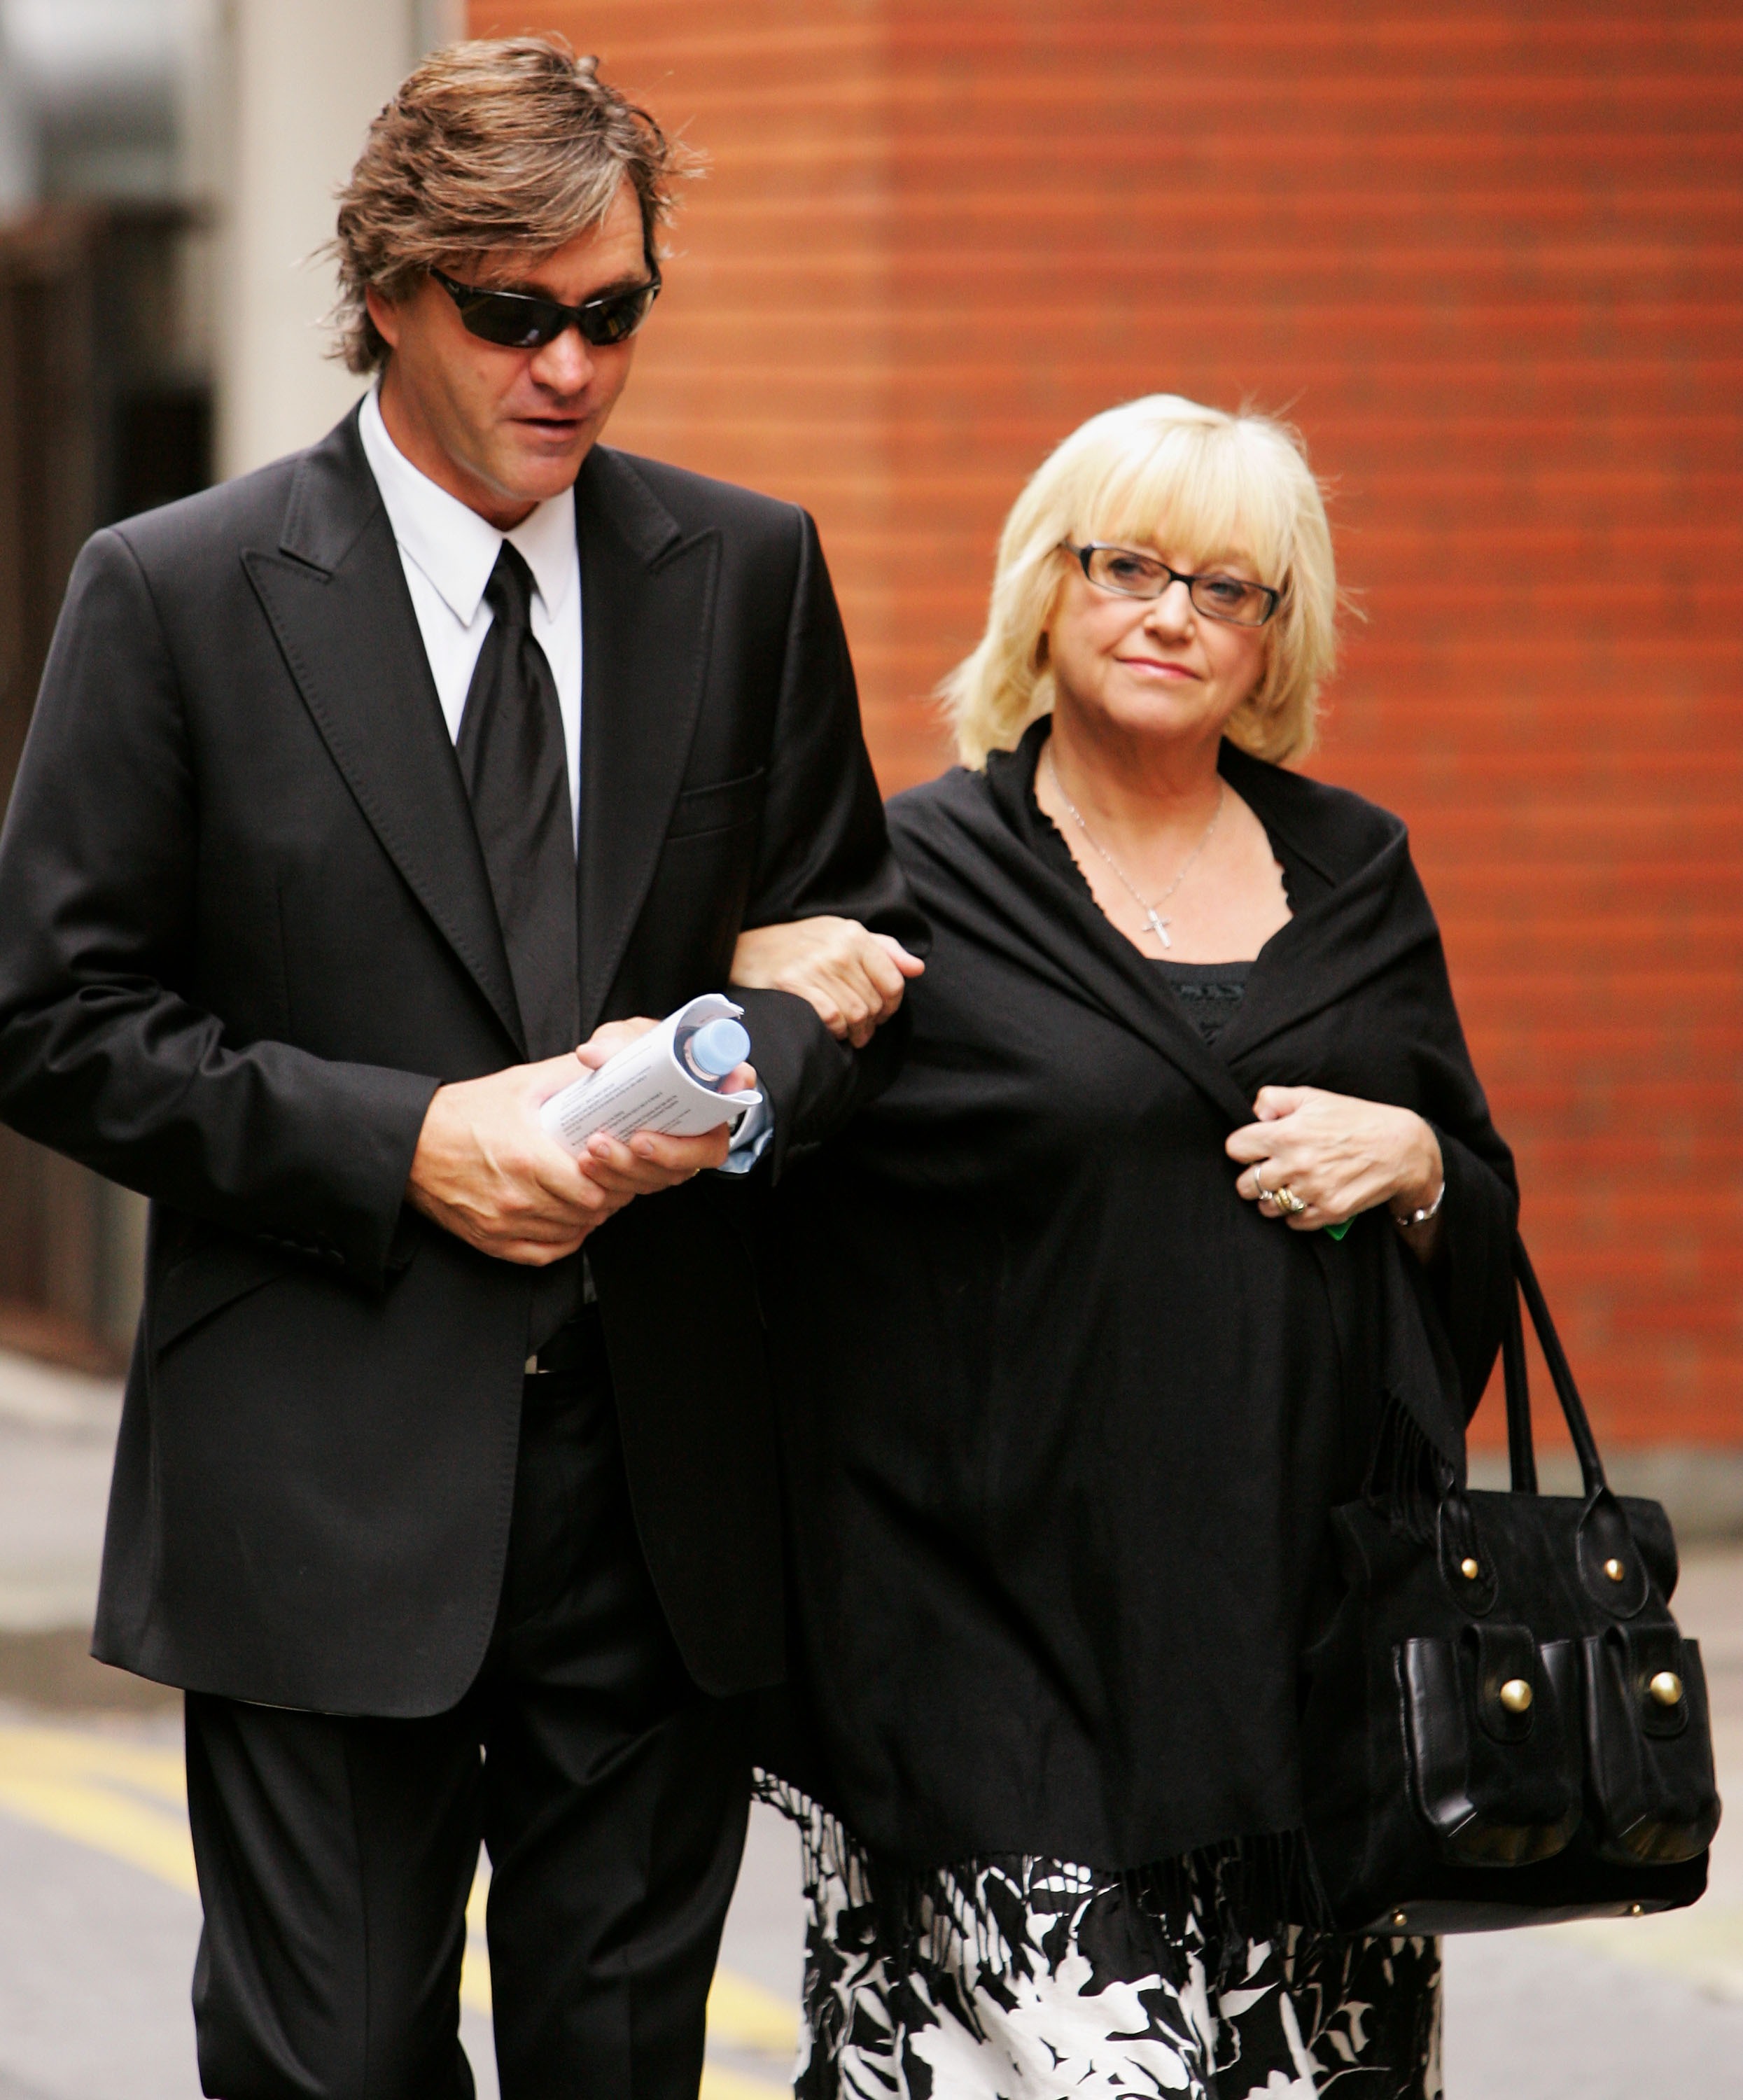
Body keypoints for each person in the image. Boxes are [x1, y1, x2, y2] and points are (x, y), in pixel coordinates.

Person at [0, 37, 921, 2100]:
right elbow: (49, 1022)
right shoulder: (175, 592)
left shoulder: (745, 571)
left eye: (612, 316)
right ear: (391, 289)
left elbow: (846, 961)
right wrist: (406, 1140)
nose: (571, 369)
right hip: (320, 1489)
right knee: (328, 2067)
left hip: (661, 1495)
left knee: (620, 2063)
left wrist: (747, 1055)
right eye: (516, 317)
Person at [732, 395, 1518, 2099]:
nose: (1174, 614)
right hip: (991, 1649)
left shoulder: (1357, 868)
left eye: (1228, 588)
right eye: (1132, 565)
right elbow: (768, 1217)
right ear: (1047, 587)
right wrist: (751, 996)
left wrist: (1419, 1164)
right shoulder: (909, 880)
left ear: (1272, 636)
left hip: (1315, 1659)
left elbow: (1478, 1204)